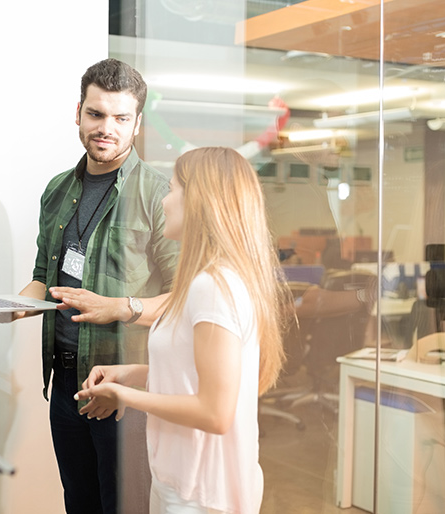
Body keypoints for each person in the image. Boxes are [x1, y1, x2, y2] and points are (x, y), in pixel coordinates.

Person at [0, 58, 179, 514]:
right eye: (97, 114)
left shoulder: (160, 195)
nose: (107, 128)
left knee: (124, 507)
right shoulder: (58, 190)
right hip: (64, 383)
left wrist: (121, 308)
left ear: (137, 123)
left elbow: (183, 299)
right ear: (78, 111)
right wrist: (7, 307)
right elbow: (45, 276)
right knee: (78, 503)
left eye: (121, 118)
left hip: (126, 389)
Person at [69, 146, 291, 514]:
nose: (165, 202)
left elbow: (214, 412)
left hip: (201, 494)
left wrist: (125, 397)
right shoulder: (206, 282)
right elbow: (193, 377)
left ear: (199, 202)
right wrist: (131, 375)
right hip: (182, 480)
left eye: (172, 190)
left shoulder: (213, 288)